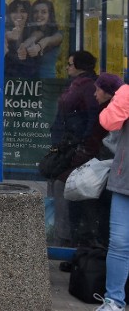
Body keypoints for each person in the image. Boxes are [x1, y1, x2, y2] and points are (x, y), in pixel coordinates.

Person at [59, 73, 122, 249]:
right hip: (110, 169)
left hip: (107, 170)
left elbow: (95, 141)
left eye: (98, 90)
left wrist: (74, 163)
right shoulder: (108, 109)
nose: (95, 94)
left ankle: (88, 248)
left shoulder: (109, 112)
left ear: (108, 92)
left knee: (91, 207)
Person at [49, 50, 99, 246]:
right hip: (70, 145)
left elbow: (91, 119)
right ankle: (65, 236)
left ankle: (65, 238)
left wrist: (82, 147)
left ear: (79, 66)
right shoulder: (79, 85)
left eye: (70, 64)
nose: (67, 67)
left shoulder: (85, 87)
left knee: (64, 189)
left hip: (75, 148)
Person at [96, 78, 129, 311]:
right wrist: (125, 95)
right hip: (124, 181)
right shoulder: (127, 93)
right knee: (118, 243)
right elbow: (108, 121)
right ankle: (114, 301)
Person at [22, 0, 63, 79]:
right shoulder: (31, 32)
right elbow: (33, 37)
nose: (39, 15)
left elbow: (48, 40)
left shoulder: (58, 34)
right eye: (35, 12)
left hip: (47, 83)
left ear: (50, 15)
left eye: (43, 12)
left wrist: (38, 47)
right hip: (28, 82)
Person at [4, 0, 38, 78]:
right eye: (14, 11)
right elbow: (6, 34)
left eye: (23, 11)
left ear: (28, 14)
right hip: (7, 77)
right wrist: (10, 35)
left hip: (30, 79)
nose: (18, 15)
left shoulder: (33, 30)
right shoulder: (5, 29)